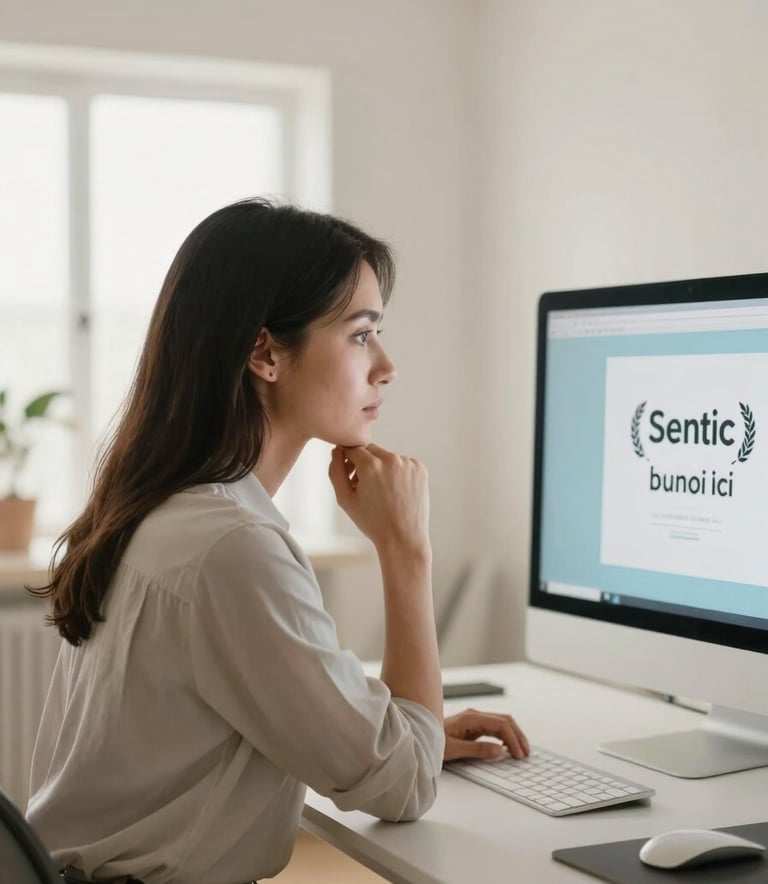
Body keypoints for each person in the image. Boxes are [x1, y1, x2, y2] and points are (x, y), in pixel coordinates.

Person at [27, 198, 528, 884]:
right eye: (360, 334)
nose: (386, 366)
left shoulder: (169, 511)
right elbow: (403, 788)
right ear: (265, 352)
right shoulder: (233, 547)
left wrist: (411, 731)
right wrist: (406, 552)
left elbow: (318, 719)